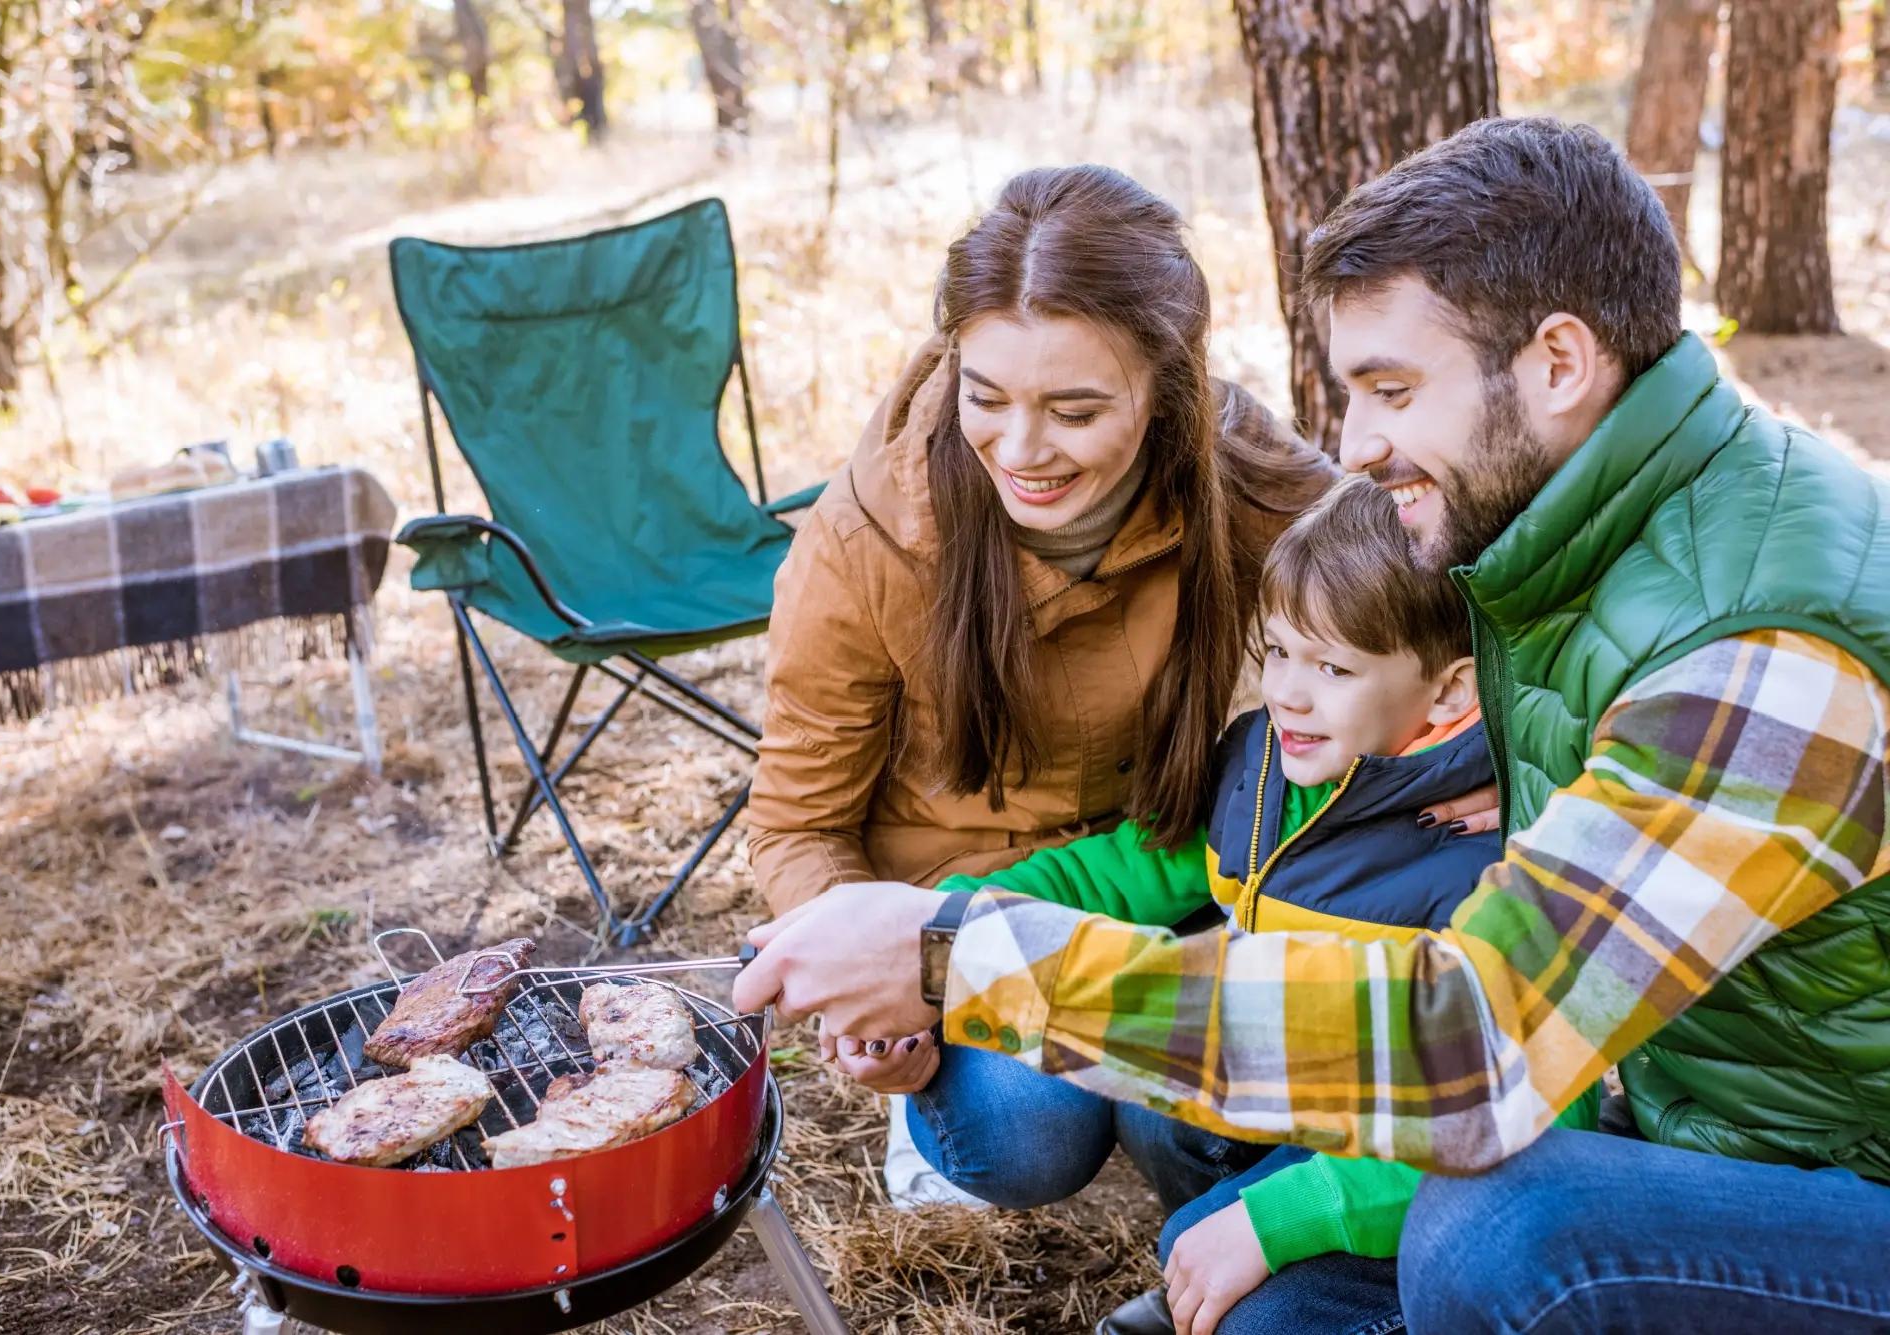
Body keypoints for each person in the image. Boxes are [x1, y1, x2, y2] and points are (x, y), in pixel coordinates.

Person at [736, 116, 1890, 1333]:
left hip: (1823, 1169)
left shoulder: (1765, 655)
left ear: (1557, 362)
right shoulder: (1565, 517)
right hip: (1659, 1103)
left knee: (1497, 1232)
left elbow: (1470, 1049)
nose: (1355, 447)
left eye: (1391, 390)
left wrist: (952, 953)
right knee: (1243, 1262)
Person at [847, 477, 1596, 1335]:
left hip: (1412, 1164)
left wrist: (1288, 1216)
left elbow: (1525, 1134)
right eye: (1276, 650)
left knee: (1256, 1306)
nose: (1287, 691)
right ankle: (1225, 1244)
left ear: (1452, 690)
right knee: (1151, 1101)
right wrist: (933, 922)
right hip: (1298, 1097)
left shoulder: (1487, 852)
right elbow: (1122, 874)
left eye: (1333, 666)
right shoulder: (1266, 764)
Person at [743, 164, 1348, 1203]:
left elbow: (1403, 582)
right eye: (985, 398)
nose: (1019, 450)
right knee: (1028, 1133)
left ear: (1166, 389)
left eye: (1074, 410)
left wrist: (1470, 744)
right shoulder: (868, 535)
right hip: (954, 914)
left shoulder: (1231, 462)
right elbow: (795, 827)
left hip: (1151, 872)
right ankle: (959, 1100)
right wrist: (883, 972)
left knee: (1188, 1110)